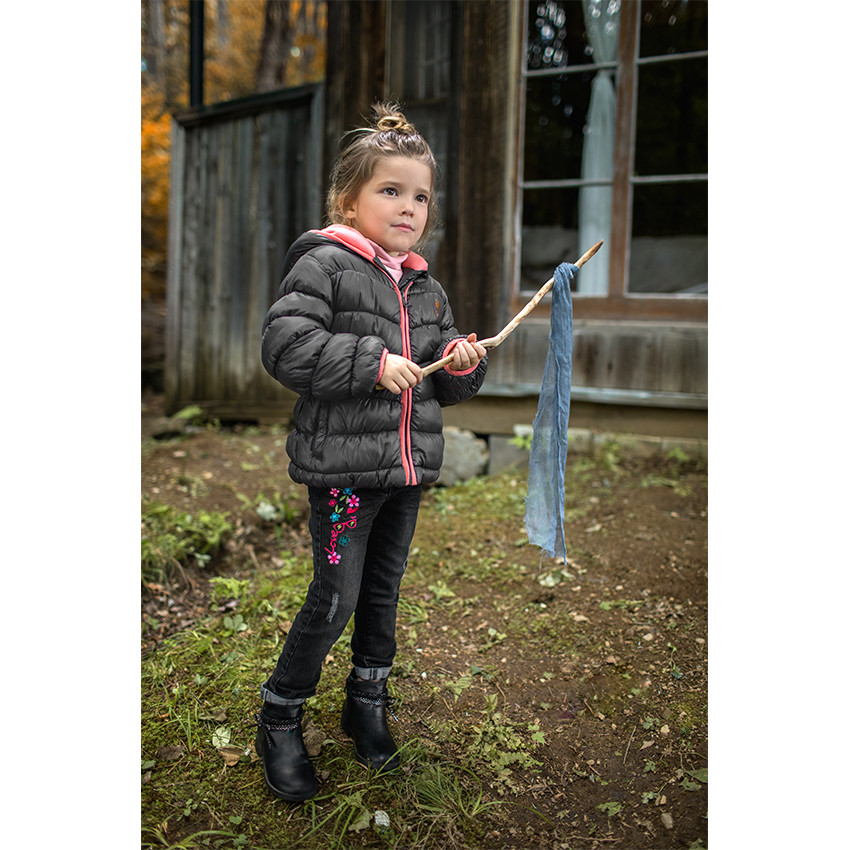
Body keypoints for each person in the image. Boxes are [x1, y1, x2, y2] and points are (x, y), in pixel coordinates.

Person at [255, 102, 488, 801]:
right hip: (344, 481)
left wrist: (461, 359)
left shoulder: (426, 287)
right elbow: (286, 346)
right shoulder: (325, 265)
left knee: (382, 595)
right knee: (335, 597)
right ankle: (281, 714)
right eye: (390, 190)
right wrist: (370, 360)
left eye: (420, 195)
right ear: (348, 201)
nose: (409, 206)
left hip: (405, 475)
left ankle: (366, 704)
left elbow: (446, 388)